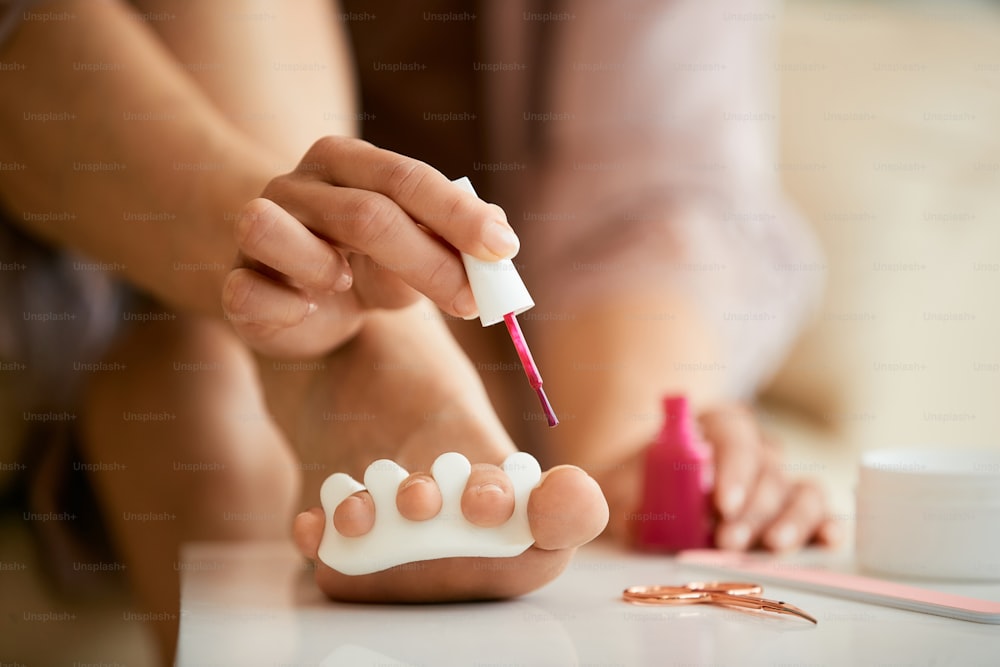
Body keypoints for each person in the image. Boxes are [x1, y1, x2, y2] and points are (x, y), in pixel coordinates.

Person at [0, 1, 837, 662]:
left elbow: (654, 178)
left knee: (201, 385)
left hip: (431, 340)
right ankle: (357, 348)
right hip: (106, 263)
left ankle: (324, 343)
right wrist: (289, 242)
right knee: (208, 384)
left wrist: (633, 449)